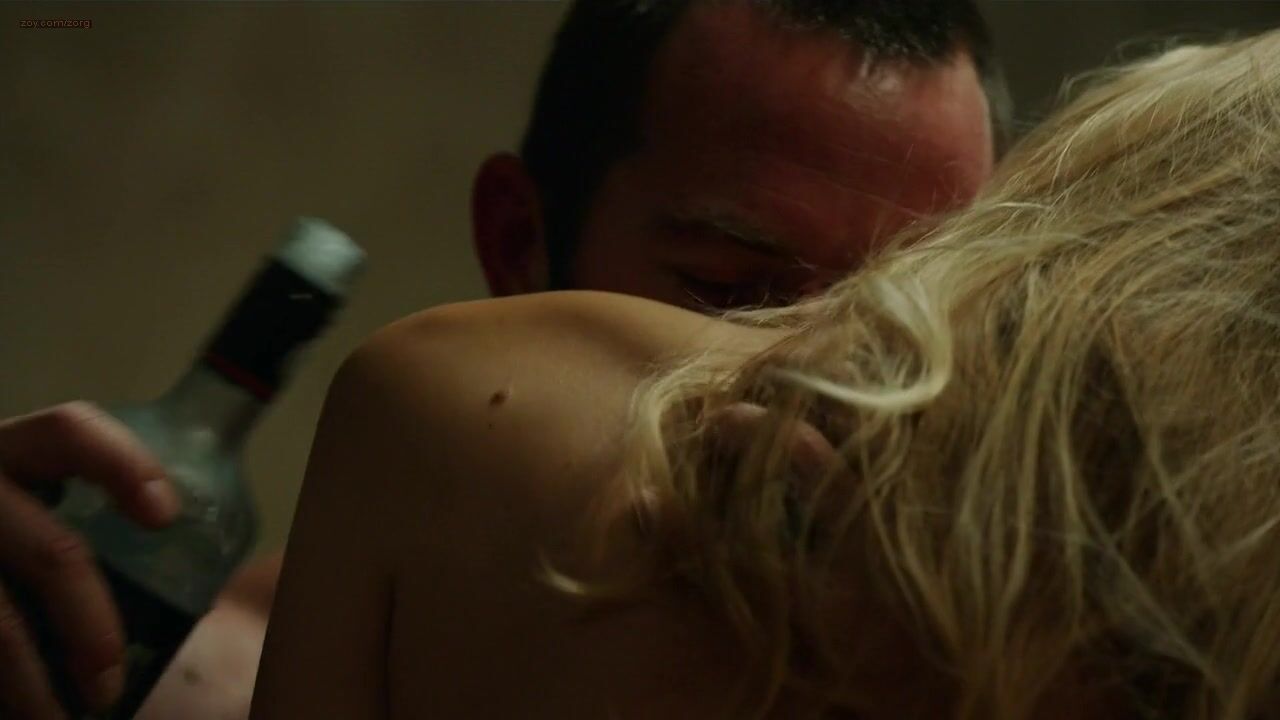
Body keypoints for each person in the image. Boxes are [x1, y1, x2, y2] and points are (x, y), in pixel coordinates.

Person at [0, 1, 1005, 718]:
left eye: (902, 327)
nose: (824, 381)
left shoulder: (993, 671)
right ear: (520, 240)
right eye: (730, 290)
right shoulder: (183, 669)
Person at [248, 27, 1280, 719]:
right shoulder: (439, 417)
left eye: (922, 290)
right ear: (518, 241)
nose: (829, 359)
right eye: (734, 287)